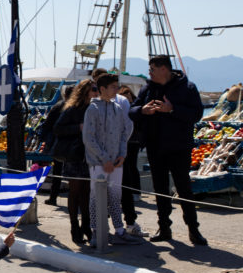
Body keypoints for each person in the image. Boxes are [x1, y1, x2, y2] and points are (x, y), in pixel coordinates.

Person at [129, 55, 207, 245]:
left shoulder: (187, 88)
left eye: (152, 69)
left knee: (183, 188)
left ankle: (193, 229)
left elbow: (196, 114)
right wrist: (143, 111)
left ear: (164, 69)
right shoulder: (148, 88)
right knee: (160, 189)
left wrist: (172, 109)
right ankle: (164, 228)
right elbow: (132, 110)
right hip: (155, 146)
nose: (150, 73)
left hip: (179, 146)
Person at [82, 73, 143, 246]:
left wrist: (122, 154)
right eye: (113, 87)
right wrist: (104, 158)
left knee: (116, 196)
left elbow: (124, 133)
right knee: (96, 197)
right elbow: (89, 137)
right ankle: (97, 231)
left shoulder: (117, 108)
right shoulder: (92, 110)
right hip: (98, 163)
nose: (117, 90)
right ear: (103, 89)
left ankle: (119, 230)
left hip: (116, 161)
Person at [54, 80, 96, 244]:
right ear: (85, 91)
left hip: (90, 155)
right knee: (75, 191)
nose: (96, 92)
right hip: (75, 154)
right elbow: (58, 128)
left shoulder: (95, 108)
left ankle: (86, 225)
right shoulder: (72, 109)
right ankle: (74, 226)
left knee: (87, 192)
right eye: (93, 89)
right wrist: (77, 128)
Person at [118, 85, 147, 236]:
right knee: (122, 188)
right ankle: (126, 224)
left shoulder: (122, 103)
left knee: (124, 185)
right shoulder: (97, 106)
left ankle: (126, 223)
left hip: (123, 150)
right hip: (118, 153)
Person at [39, 85, 73, 206]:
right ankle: (73, 199)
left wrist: (43, 139)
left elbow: (47, 124)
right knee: (73, 173)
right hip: (73, 144)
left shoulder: (58, 106)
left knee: (57, 171)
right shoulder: (76, 107)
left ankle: (53, 197)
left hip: (58, 144)